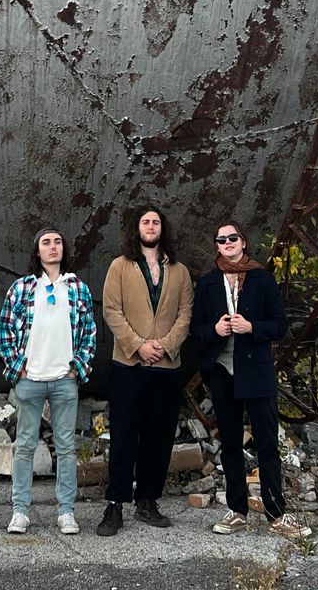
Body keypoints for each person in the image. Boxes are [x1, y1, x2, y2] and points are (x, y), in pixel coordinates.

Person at [192, 221, 311, 539]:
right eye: (221, 239)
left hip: (257, 373)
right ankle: (237, 512)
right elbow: (195, 329)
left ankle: (277, 514)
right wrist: (214, 330)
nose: (228, 242)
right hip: (223, 373)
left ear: (243, 242)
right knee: (230, 445)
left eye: (233, 237)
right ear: (217, 246)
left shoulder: (262, 278)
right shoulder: (207, 283)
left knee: (267, 444)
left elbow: (280, 325)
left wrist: (252, 327)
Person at [97, 204, 193, 536]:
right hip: (128, 364)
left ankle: (148, 500)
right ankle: (115, 504)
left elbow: (185, 314)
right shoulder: (120, 267)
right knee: (124, 435)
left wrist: (165, 345)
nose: (150, 226)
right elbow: (112, 311)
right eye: (145, 222)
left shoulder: (179, 271)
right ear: (136, 229)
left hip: (166, 366)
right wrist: (138, 345)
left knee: (159, 436)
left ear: (162, 229)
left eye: (155, 222)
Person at [0, 227, 97, 535]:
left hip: (64, 380)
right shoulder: (23, 287)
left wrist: (77, 369)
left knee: (66, 448)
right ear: (37, 250)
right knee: (25, 447)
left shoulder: (77, 288)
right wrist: (18, 368)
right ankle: (20, 511)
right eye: (46, 242)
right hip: (31, 380)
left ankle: (66, 512)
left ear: (63, 249)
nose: (53, 247)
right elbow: (5, 330)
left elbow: (90, 332)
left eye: (57, 242)